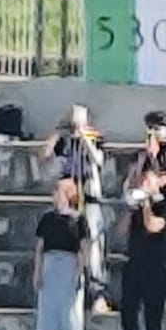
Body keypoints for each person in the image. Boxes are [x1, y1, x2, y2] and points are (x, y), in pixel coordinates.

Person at [42, 105, 110, 316]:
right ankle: (71, 290)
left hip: (89, 200)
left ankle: (97, 293)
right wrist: (57, 132)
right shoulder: (63, 142)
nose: (76, 126)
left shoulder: (95, 139)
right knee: (69, 248)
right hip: (68, 203)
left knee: (94, 249)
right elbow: (45, 157)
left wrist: (85, 140)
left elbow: (98, 161)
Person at [114, 132, 166, 330]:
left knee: (153, 313)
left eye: (147, 181)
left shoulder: (165, 204)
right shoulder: (136, 205)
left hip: (156, 265)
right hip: (134, 262)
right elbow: (120, 232)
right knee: (128, 308)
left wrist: (147, 204)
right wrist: (130, 210)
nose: (143, 185)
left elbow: (154, 226)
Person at [31, 179, 87, 330]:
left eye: (58, 191)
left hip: (69, 264)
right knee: (48, 308)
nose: (55, 195)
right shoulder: (47, 218)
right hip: (50, 263)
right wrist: (37, 272)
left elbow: (82, 249)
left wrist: (79, 273)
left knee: (70, 310)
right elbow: (40, 247)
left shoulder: (78, 219)